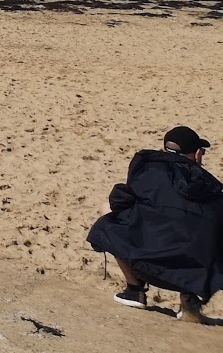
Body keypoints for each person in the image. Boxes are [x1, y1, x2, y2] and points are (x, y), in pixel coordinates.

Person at [89, 125, 222, 321]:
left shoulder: (147, 168)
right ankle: (189, 302)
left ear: (164, 150)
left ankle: (135, 289)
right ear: (197, 155)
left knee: (108, 209)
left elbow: (121, 201)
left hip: (145, 262)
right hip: (190, 275)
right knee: (207, 229)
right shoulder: (209, 186)